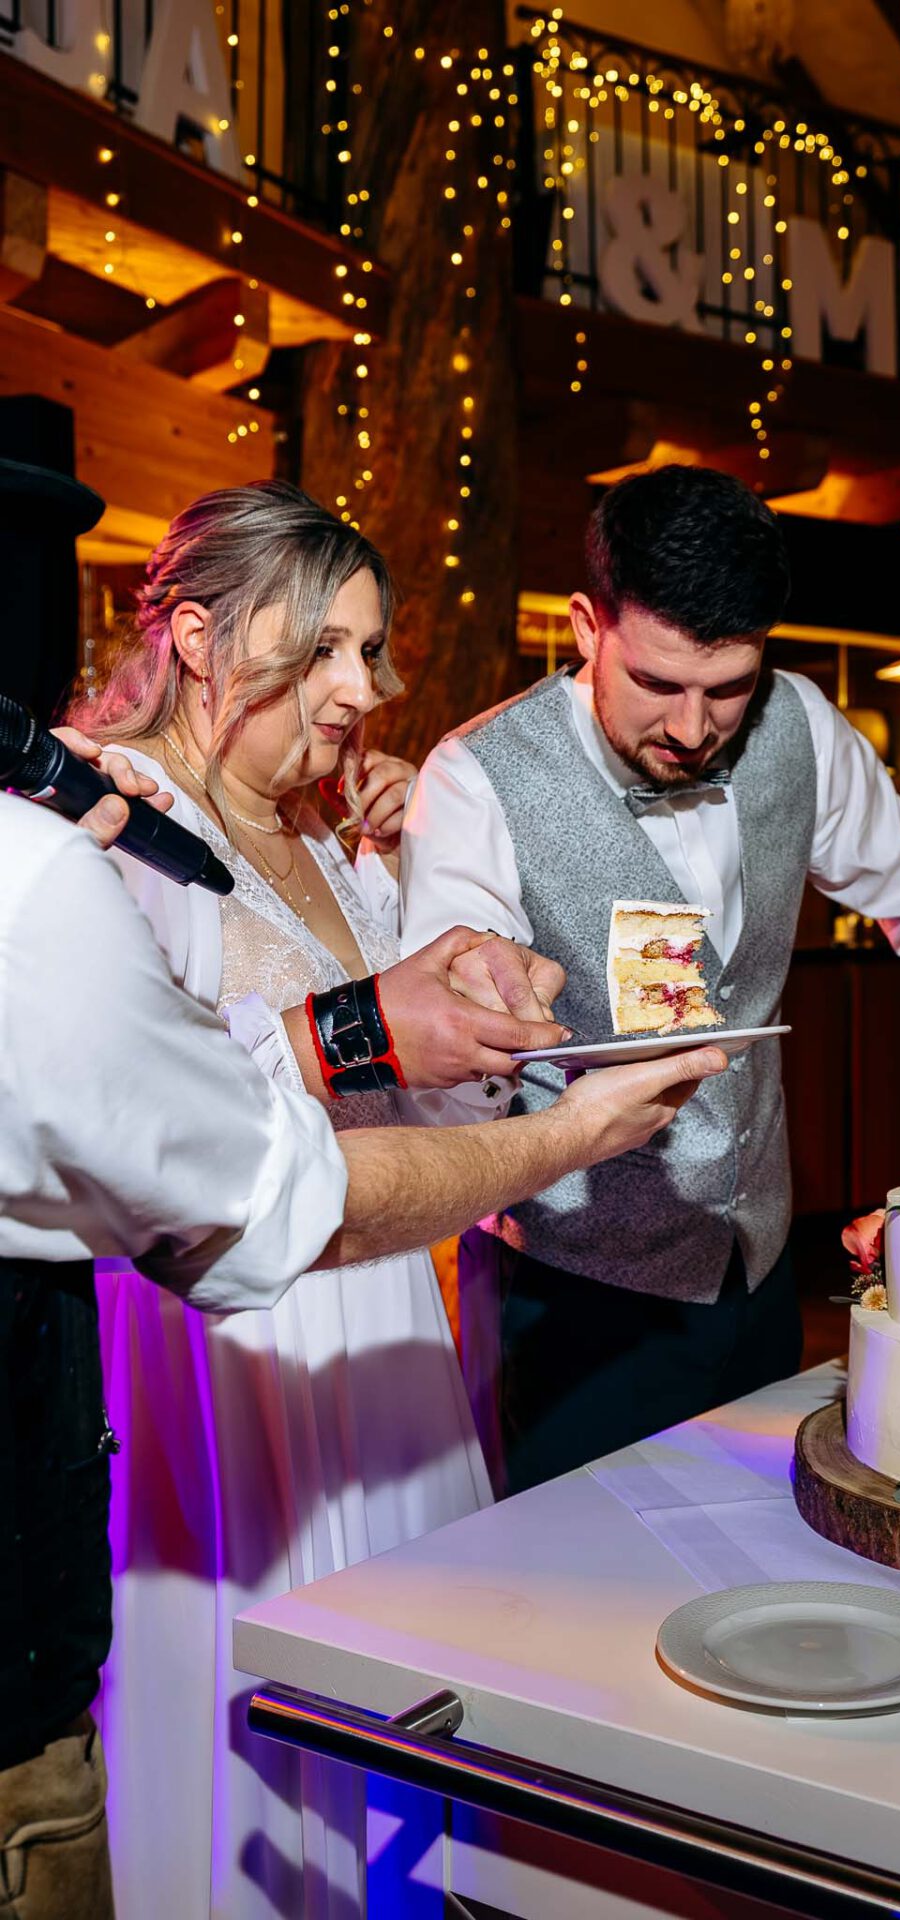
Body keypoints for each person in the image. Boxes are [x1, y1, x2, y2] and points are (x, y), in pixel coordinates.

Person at [61, 478, 683, 1919]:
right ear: (199, 638)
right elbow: (129, 1102)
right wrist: (373, 1024)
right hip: (235, 1354)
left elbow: (430, 1113)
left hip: (391, 1332)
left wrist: (492, 1011)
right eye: (323, 648)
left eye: (369, 649)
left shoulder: (335, 846)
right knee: (260, 1732)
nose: (364, 688)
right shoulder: (108, 822)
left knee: (407, 1734)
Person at [399, 463, 900, 1495]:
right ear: (587, 626)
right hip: (572, 1288)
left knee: (763, 1546)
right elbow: (443, 1063)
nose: (692, 729)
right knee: (575, 1573)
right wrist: (495, 1050)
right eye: (657, 684)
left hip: (756, 1263)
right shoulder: (473, 780)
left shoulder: (800, 724)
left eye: (728, 689)